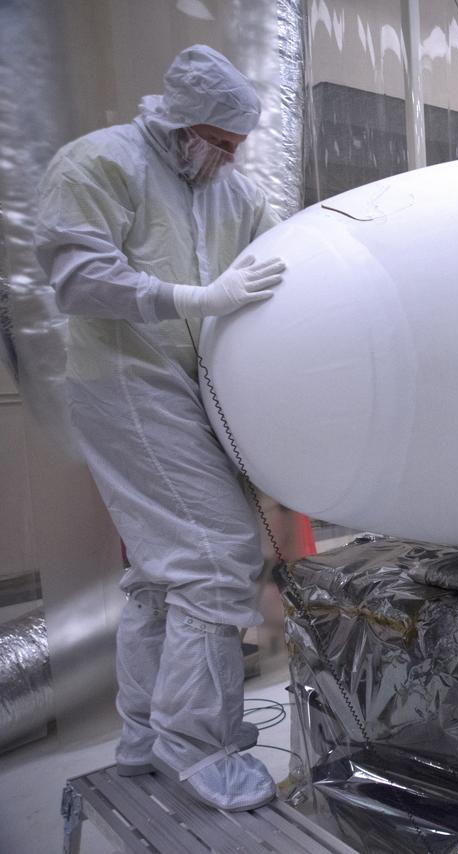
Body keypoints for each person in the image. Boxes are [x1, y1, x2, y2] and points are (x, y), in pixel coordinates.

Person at [34, 45, 286, 812]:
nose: (227, 158)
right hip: (122, 379)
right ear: (180, 122)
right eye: (219, 141)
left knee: (160, 569)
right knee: (217, 555)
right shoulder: (99, 163)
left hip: (184, 381)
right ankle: (196, 744)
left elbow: (280, 249)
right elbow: (78, 279)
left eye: (237, 147)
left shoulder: (222, 187)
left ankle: (145, 733)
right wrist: (198, 299)